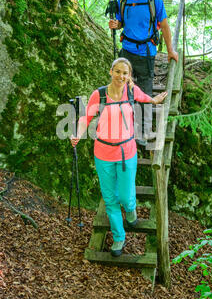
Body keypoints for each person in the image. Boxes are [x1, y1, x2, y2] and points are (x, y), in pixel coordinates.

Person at [71, 57, 167, 257]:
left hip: (127, 152)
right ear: (110, 71)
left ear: (129, 75)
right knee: (110, 199)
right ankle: (118, 237)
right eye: (118, 72)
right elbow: (85, 118)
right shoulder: (99, 95)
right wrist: (77, 134)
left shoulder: (132, 91)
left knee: (125, 196)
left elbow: (145, 98)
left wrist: (155, 100)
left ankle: (131, 209)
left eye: (125, 73)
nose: (121, 76)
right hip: (103, 153)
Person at [109, 0, 178, 144]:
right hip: (126, 53)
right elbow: (120, 22)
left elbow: (164, 26)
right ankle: (127, 130)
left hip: (147, 53)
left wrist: (170, 50)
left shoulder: (154, 1)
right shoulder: (123, 0)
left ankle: (143, 133)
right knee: (125, 91)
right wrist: (115, 24)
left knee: (145, 93)